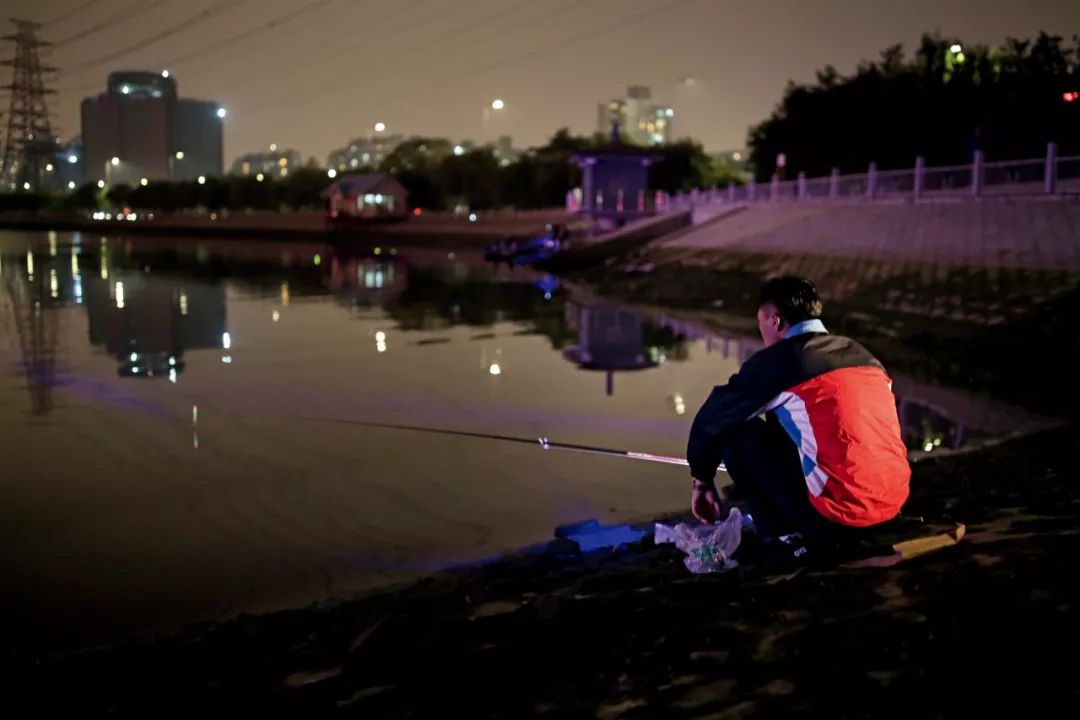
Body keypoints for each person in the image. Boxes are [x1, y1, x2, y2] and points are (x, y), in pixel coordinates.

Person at [686, 276, 910, 550]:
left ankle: (784, 536)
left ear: (774, 321)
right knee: (789, 411)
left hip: (839, 520)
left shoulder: (782, 361)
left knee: (734, 432)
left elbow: (712, 418)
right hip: (892, 505)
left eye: (760, 325)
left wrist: (702, 480)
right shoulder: (862, 354)